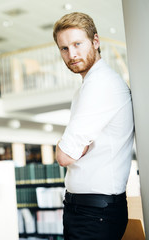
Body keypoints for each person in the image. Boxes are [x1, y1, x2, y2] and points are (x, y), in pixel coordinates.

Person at [53, 12, 134, 240]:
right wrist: (71, 146)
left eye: (78, 44)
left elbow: (64, 156)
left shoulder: (101, 85)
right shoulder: (88, 86)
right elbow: (71, 150)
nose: (72, 54)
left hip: (95, 213)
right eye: (64, 48)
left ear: (95, 42)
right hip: (86, 210)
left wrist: (64, 146)